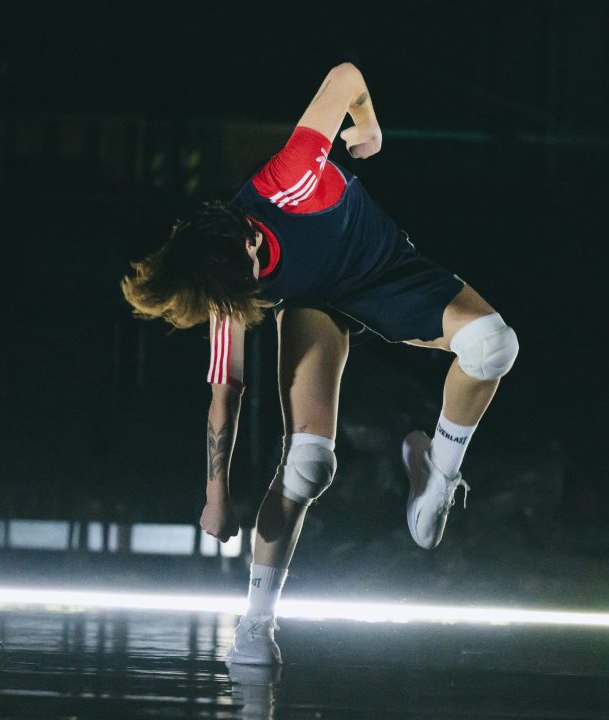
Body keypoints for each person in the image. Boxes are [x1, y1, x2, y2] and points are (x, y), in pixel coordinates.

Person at [120, 63, 519, 665]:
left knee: (494, 346)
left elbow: (345, 76)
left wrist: (369, 128)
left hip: (381, 271)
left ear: (251, 240)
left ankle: (437, 469)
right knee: (308, 465)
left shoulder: (293, 173)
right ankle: (256, 626)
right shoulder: (227, 283)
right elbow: (225, 393)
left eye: (245, 287)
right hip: (314, 303)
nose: (243, 303)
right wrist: (215, 494)